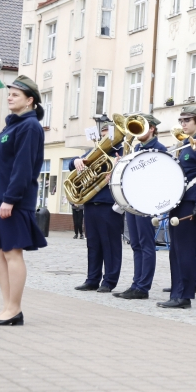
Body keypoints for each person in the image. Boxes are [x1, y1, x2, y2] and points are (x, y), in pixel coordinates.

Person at [0, 75, 47, 325]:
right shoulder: (11, 126)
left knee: (12, 252)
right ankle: (6, 307)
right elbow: (4, 164)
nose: (10, 97)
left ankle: (14, 309)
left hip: (12, 201)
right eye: (9, 93)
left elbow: (23, 167)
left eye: (16, 94)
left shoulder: (29, 126)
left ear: (30, 101)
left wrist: (11, 198)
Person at [158, 106, 196, 309]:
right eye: (181, 120)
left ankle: (184, 296)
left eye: (187, 120)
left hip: (192, 204)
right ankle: (177, 293)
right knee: (175, 251)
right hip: (179, 201)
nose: (182, 124)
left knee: (185, 251)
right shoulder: (185, 143)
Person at [114, 114, 166, 300]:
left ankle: (143, 287)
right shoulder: (136, 147)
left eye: (142, 126)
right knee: (135, 243)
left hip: (147, 201)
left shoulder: (159, 149)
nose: (137, 131)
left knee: (146, 244)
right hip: (132, 200)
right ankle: (136, 283)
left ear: (151, 128)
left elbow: (160, 176)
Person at [73, 120, 125, 294]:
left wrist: (117, 166)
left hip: (109, 204)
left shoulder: (122, 153)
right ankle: (92, 279)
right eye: (102, 137)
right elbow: (74, 164)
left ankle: (109, 281)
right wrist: (76, 161)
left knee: (110, 244)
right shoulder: (95, 151)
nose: (104, 142)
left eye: (107, 137)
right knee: (93, 244)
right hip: (90, 204)